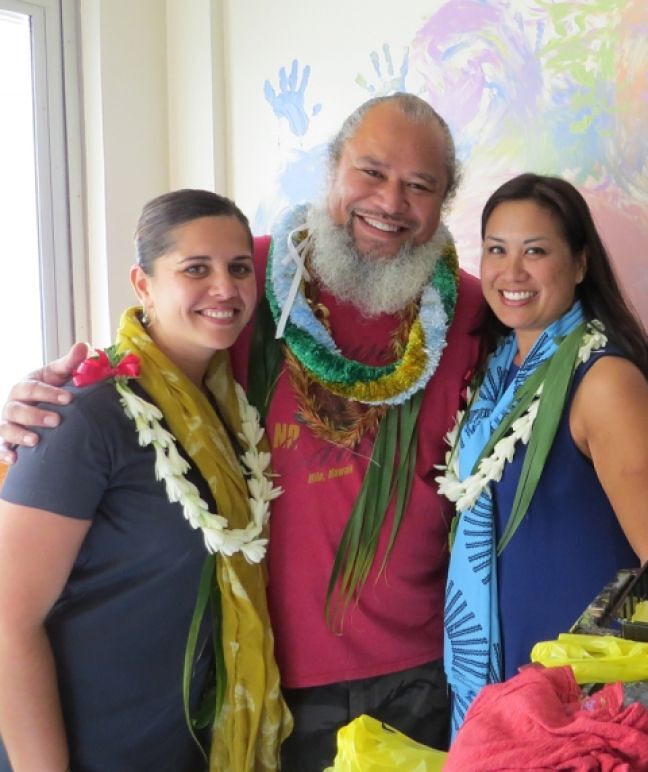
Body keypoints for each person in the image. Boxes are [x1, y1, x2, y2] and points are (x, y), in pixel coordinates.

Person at [0, 94, 487, 769]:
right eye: (371, 172)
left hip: (420, 671)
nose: (390, 201)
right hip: (260, 676)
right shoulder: (254, 277)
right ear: (332, 170)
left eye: (420, 185)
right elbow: (148, 354)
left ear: (444, 200)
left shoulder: (474, 311)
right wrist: (39, 398)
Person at [0, 189, 291, 770]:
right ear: (143, 284)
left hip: (183, 747)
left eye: (239, 268)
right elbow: (8, 623)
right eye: (195, 269)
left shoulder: (230, 411)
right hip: (86, 750)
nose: (225, 288)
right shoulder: (84, 414)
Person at [437, 173, 648, 732]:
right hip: (502, 675)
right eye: (496, 250)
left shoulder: (604, 381)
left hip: (577, 689)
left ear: (579, 264)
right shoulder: (498, 371)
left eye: (536, 251)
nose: (512, 272)